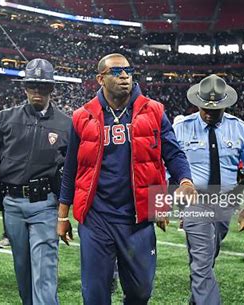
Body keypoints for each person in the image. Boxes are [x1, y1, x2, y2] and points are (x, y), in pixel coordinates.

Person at [57, 53, 196, 305]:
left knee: (141, 292)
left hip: (137, 217)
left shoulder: (153, 111)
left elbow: (173, 153)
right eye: (116, 71)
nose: (124, 76)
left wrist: (184, 181)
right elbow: (71, 169)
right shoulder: (82, 116)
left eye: (128, 71)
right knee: (95, 295)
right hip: (97, 217)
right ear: (100, 78)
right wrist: (63, 216)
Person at [0, 58, 71, 305]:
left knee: (44, 271)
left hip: (45, 205)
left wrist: (65, 208)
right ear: (24, 87)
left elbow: (74, 168)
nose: (37, 90)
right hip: (11, 204)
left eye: (43, 86)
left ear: (52, 88)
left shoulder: (66, 125)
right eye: (32, 85)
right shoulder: (4, 118)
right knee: (22, 269)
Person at [173, 74, 244, 305]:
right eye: (205, 107)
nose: (210, 112)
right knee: (203, 261)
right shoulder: (182, 128)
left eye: (216, 108)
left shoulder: (239, 129)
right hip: (195, 203)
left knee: (206, 259)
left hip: (225, 204)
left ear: (226, 104)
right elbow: (167, 164)